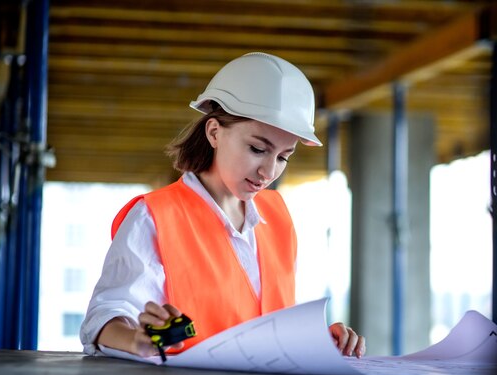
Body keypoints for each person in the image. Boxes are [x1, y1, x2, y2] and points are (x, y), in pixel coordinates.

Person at [79, 52, 366, 359]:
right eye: (258, 148)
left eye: (283, 156)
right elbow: (104, 318)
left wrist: (318, 344)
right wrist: (135, 339)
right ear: (214, 132)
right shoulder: (156, 217)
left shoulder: (278, 217)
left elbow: (264, 328)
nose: (268, 172)